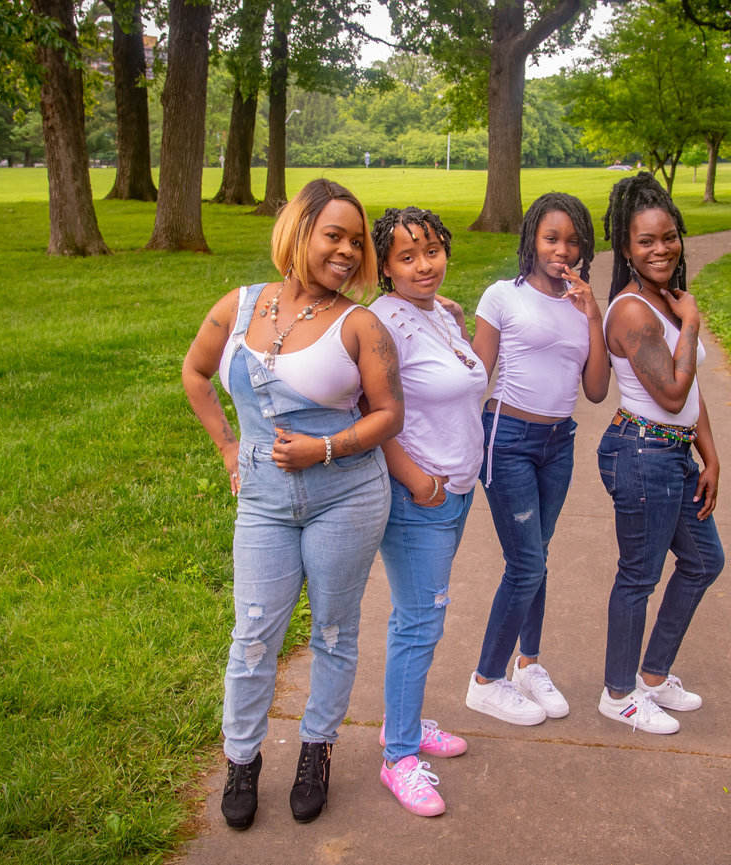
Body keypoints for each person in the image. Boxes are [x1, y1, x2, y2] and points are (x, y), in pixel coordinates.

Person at [181, 179, 404, 830]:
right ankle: (242, 759)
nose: (346, 251)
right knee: (253, 634)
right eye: (333, 234)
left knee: (333, 629)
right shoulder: (238, 306)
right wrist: (228, 449)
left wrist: (325, 447)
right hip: (265, 500)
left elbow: (390, 415)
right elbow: (195, 372)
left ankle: (316, 749)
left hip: (348, 494)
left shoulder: (359, 324)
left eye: (355, 241)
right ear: (299, 230)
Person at [464, 192, 610, 726]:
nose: (562, 249)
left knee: (537, 556)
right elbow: (477, 373)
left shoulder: (581, 305)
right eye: (552, 238)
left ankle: (529, 663)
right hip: (508, 439)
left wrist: (592, 316)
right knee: (526, 563)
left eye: (573, 241)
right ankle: (486, 678)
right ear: (532, 239)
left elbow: (596, 390)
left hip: (558, 444)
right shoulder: (503, 295)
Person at [368, 206, 487, 817]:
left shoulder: (440, 313)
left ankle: (401, 723)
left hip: (455, 489)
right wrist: (421, 484)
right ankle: (400, 760)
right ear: (384, 267)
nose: (424, 265)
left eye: (432, 250)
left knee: (421, 618)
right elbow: (370, 413)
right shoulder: (382, 323)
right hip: (423, 497)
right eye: (406, 256)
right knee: (419, 622)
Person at [595, 172, 725, 734]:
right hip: (642, 453)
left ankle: (651, 677)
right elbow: (671, 390)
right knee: (639, 575)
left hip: (673, 453)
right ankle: (618, 693)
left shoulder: (667, 301)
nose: (661, 248)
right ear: (626, 249)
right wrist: (693, 324)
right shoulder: (632, 311)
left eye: (668, 236)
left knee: (703, 561)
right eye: (645, 241)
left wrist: (711, 456)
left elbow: (689, 395)